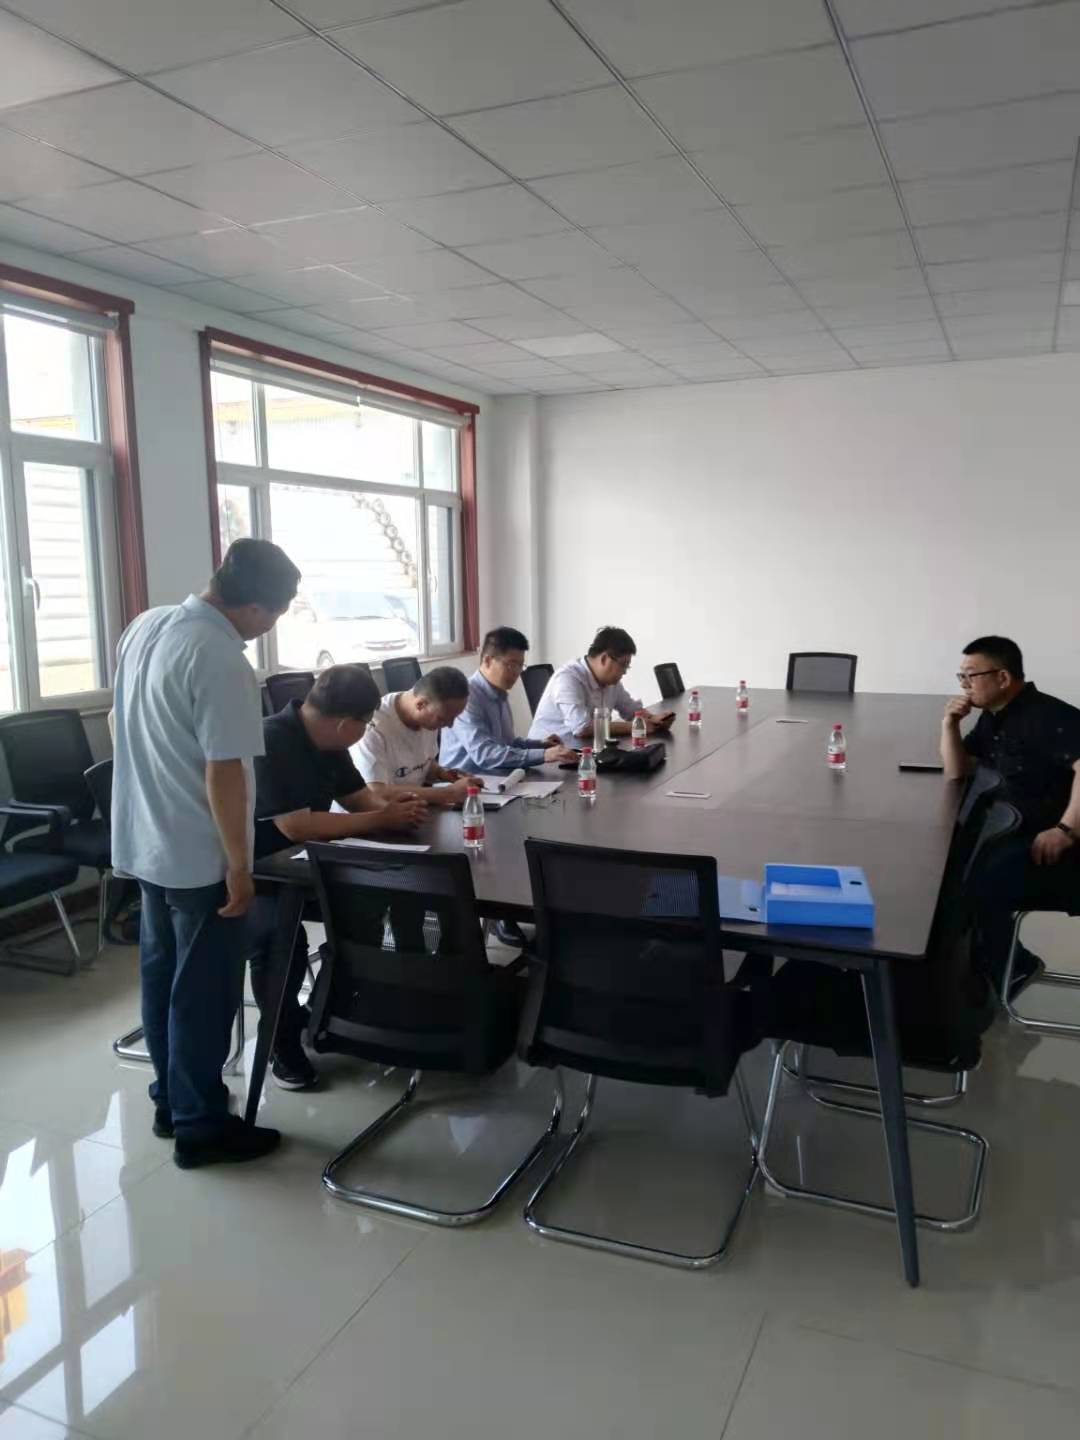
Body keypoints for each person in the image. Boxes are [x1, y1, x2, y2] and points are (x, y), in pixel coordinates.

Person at [111, 539, 300, 1170]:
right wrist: (240, 866)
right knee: (204, 992)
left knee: (162, 977)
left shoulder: (146, 625)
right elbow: (225, 773)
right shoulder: (220, 658)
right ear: (255, 605)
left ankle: (171, 1101)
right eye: (274, 614)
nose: (269, 627)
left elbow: (118, 723)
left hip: (145, 840)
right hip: (199, 857)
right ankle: (201, 1127)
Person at [249, 665, 428, 1090]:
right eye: (365, 724)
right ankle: (280, 1040)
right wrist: (378, 819)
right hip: (258, 871)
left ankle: (340, 1011)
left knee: (385, 901)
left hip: (310, 862)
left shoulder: (331, 740)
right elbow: (296, 826)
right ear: (347, 724)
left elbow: (357, 798)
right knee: (280, 939)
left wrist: (396, 813)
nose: (364, 732)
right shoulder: (271, 739)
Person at [941, 635, 1080, 998]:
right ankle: (975, 969)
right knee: (950, 867)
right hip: (1014, 832)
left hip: (1056, 846)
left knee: (975, 881)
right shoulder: (995, 716)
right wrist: (950, 725)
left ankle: (1014, 967)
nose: (964, 684)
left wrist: (1065, 830)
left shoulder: (1049, 716)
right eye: (961, 676)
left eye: (971, 675)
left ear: (1002, 678)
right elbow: (957, 770)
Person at [439, 626, 577, 773]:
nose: (517, 672)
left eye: (520, 666)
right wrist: (544, 755)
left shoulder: (500, 693)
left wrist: (540, 744)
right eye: (511, 665)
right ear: (487, 661)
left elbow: (506, 743)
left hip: (495, 777)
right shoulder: (466, 697)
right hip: (464, 781)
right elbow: (485, 754)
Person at [528, 625, 674, 745]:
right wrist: (636, 727)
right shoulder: (568, 678)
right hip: (546, 757)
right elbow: (582, 728)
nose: (625, 672)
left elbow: (631, 710)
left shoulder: (611, 682)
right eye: (623, 665)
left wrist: (654, 720)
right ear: (604, 659)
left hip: (582, 750)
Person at [355, 666, 477, 803]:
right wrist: (448, 793)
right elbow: (376, 792)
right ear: (420, 704)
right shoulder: (373, 728)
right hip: (373, 813)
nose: (450, 725)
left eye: (454, 717)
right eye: (443, 719)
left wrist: (442, 773)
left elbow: (421, 765)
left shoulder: (429, 717)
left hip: (410, 809)